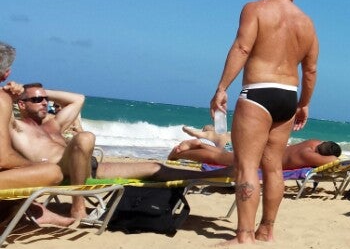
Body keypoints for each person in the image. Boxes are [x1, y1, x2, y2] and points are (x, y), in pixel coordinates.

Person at [210, 0, 319, 245]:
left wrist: (222, 87)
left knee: (247, 166)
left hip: (258, 92)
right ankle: (267, 230)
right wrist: (303, 104)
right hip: (287, 96)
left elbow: (243, 47)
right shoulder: (306, 23)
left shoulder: (255, 9)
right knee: (273, 167)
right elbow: (310, 70)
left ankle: (244, 235)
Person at [10, 84, 231, 220]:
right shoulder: (17, 127)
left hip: (90, 166)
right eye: (37, 100)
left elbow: (79, 99)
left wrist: (40, 90)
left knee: (155, 168)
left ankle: (215, 175)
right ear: (21, 104)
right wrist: (10, 93)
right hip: (57, 170)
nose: (44, 102)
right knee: (85, 137)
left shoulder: (54, 124)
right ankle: (78, 207)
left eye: (45, 99)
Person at [0, 42, 75, 227]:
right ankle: (28, 212)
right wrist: (36, 164)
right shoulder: (1, 100)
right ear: (7, 73)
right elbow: (3, 158)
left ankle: (33, 210)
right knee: (52, 172)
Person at [169, 137, 341, 170]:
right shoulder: (309, 155)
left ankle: (200, 144)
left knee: (227, 156)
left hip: (265, 152)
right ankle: (180, 155)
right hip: (261, 160)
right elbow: (333, 161)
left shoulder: (311, 142)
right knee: (218, 159)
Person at [167, 125, 233, 166]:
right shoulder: (227, 133)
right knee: (226, 155)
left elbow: (193, 133)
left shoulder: (209, 134)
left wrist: (185, 129)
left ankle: (200, 145)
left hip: (224, 150)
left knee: (219, 155)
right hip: (231, 146)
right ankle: (200, 145)